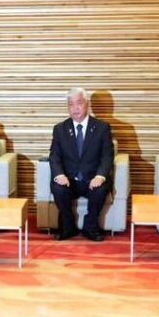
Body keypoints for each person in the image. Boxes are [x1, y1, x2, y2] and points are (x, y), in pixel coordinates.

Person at [49, 87, 113, 242]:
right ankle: (67, 227)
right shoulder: (60, 129)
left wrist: (100, 176)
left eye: (79, 103)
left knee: (100, 189)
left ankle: (90, 228)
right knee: (58, 188)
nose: (75, 108)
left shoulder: (102, 128)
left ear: (87, 104)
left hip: (92, 178)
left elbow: (107, 155)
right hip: (69, 179)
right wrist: (59, 174)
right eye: (71, 104)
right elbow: (54, 156)